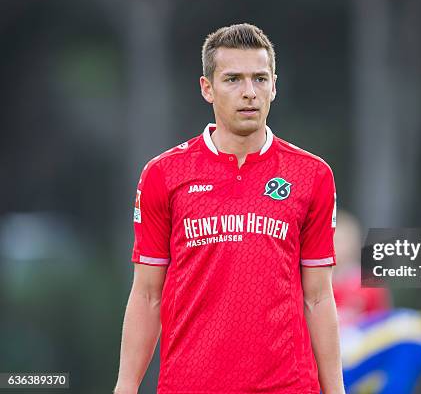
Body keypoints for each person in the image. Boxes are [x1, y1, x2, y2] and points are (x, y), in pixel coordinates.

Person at [114, 23, 344, 394]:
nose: (249, 92)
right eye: (233, 79)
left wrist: (337, 390)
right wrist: (125, 386)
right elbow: (147, 294)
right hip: (190, 384)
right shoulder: (164, 174)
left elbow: (318, 297)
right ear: (208, 88)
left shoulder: (312, 175)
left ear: (274, 86)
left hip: (288, 385)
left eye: (259, 79)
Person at [332, 210, 392, 327]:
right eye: (331, 239)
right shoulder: (314, 284)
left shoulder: (370, 284)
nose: (335, 246)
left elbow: (382, 326)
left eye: (340, 241)